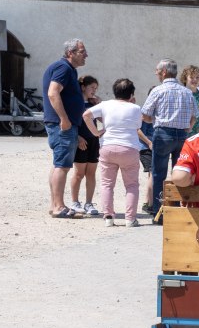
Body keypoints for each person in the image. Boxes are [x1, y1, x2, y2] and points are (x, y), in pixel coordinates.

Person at [83, 78, 151, 226]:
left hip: (108, 146)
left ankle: (108, 217)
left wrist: (96, 132)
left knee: (107, 184)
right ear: (131, 94)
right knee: (132, 185)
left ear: (115, 92)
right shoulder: (135, 108)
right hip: (129, 148)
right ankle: (130, 218)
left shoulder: (105, 104)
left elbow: (86, 115)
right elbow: (138, 125)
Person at [141, 58, 196, 224]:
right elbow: (195, 115)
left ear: (164, 72)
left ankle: (160, 213)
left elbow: (145, 114)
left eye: (157, 71)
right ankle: (179, 208)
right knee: (181, 174)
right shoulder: (187, 92)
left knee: (158, 174)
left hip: (163, 133)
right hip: (182, 135)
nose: (156, 73)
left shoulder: (158, 91)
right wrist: (187, 128)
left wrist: (155, 120)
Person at [43, 38, 88, 218]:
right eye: (82, 51)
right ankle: (59, 207)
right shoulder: (63, 68)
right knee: (62, 166)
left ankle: (55, 204)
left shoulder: (68, 69)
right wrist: (64, 119)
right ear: (71, 53)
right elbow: (53, 92)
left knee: (58, 165)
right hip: (62, 124)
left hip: (62, 124)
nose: (86, 55)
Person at [69, 74, 102, 216]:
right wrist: (78, 137)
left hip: (94, 141)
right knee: (79, 173)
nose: (94, 90)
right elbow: (70, 122)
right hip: (80, 141)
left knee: (91, 173)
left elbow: (103, 119)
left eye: (96, 88)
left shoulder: (93, 104)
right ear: (83, 87)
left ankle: (89, 203)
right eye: (92, 87)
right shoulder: (76, 103)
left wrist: (100, 104)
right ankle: (75, 202)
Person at [180, 64, 199, 136]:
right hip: (184, 135)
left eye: (197, 77)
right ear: (185, 79)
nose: (195, 80)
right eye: (191, 77)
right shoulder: (181, 95)